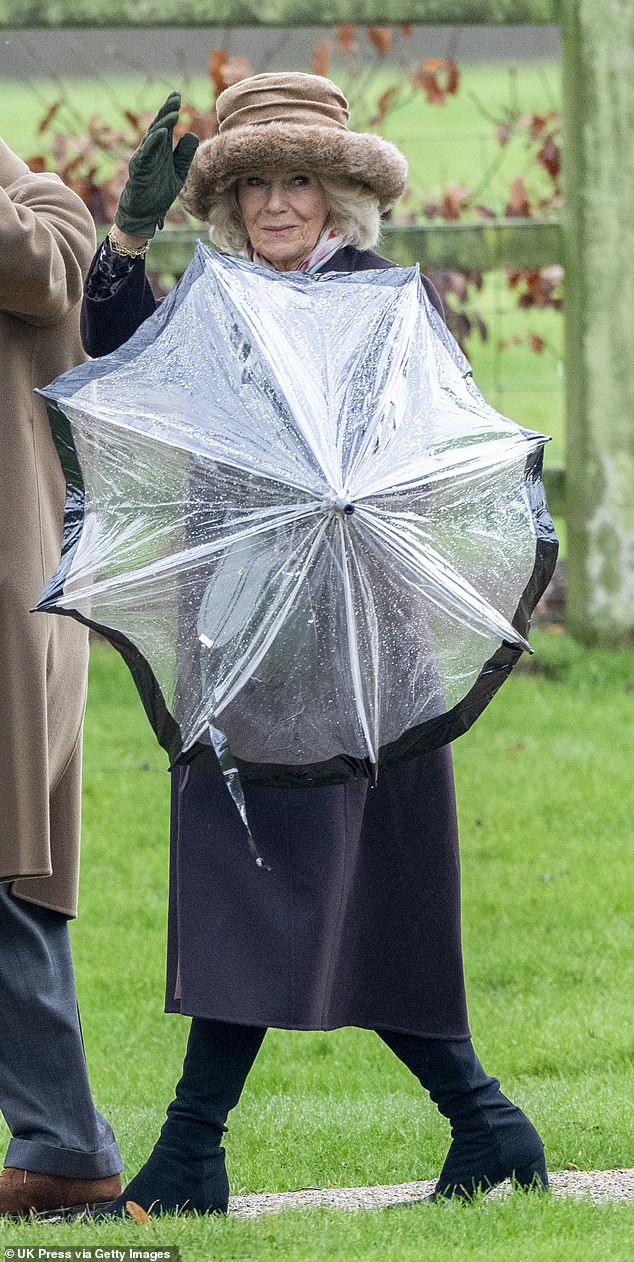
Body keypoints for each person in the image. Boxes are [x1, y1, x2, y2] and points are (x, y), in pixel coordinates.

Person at [80, 76, 548, 1217]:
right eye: (251, 184)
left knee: (327, 880)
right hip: (233, 633)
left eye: (296, 180)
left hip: (352, 641)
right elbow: (111, 362)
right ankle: (486, 1123)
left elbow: (435, 450)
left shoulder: (386, 301)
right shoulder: (210, 299)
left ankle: (194, 1151)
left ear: (338, 193)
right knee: (293, 878)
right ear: (228, 202)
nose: (276, 203)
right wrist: (126, 237)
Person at [0, 138, 124, 1217]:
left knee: (7, 878)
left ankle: (66, 1146)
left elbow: (39, 268)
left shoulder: (48, 215)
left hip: (9, 614)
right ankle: (64, 1145)